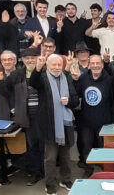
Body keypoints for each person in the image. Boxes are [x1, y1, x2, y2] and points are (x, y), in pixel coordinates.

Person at [0, 48, 43, 185]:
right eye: (27, 58)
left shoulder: (44, 71)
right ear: (22, 60)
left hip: (43, 115)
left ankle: (45, 171)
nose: (30, 60)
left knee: (45, 145)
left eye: (33, 57)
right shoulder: (18, 74)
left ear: (38, 58)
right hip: (26, 116)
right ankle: (35, 172)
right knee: (31, 145)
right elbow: (5, 92)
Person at [28, 54, 79, 194]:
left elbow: (75, 99)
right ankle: (50, 185)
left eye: (59, 65)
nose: (57, 67)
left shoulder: (67, 77)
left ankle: (65, 179)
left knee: (65, 156)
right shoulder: (42, 78)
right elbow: (32, 83)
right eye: (53, 65)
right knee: (50, 158)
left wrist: (68, 102)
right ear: (48, 66)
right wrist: (37, 68)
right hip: (49, 124)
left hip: (65, 123)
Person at [73, 55, 114, 176]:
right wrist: (75, 80)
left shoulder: (109, 80)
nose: (95, 66)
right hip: (86, 121)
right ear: (89, 64)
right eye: (93, 63)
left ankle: (105, 169)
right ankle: (88, 169)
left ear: (102, 64)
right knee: (86, 146)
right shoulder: (83, 78)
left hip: (104, 121)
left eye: (98, 63)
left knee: (103, 147)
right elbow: (76, 95)